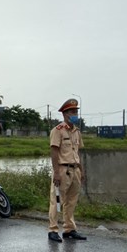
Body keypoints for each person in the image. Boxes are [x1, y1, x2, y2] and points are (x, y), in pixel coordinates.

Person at [48, 98, 87, 242]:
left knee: (71, 201)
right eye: (72, 112)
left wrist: (81, 171)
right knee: (56, 200)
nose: (75, 114)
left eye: (76, 111)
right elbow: (54, 152)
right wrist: (56, 172)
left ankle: (69, 229)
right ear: (65, 114)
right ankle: (52, 229)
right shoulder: (57, 131)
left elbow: (77, 152)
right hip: (63, 170)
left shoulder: (77, 132)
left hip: (75, 169)